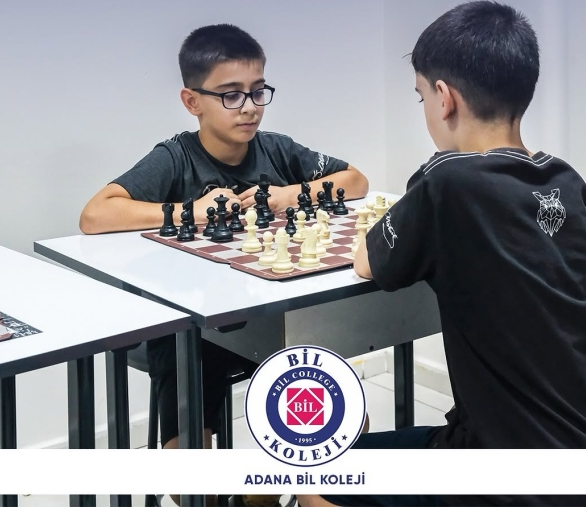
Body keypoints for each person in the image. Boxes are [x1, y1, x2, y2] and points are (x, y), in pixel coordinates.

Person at [298, 1, 586, 507]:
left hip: (509, 476)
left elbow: (366, 261)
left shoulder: (447, 181)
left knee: (315, 477)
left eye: (421, 95)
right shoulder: (565, 182)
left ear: (444, 99)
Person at [80, 25, 369, 507]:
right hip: (191, 331)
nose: (249, 107)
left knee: (344, 421)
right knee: (191, 473)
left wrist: (288, 194)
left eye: (258, 91)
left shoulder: (276, 149)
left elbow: (355, 179)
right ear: (192, 101)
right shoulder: (175, 157)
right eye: (231, 95)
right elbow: (95, 215)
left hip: (275, 322)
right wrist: (187, 211)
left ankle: (264, 493)